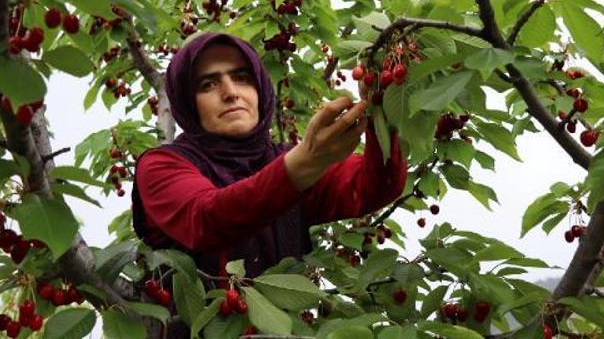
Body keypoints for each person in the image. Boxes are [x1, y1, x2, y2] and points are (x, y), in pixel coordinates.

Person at [131, 32, 407, 291]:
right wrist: (304, 162)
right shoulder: (160, 165)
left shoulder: (281, 158)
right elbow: (205, 219)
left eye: (242, 78)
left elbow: (374, 186)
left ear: (261, 88)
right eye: (208, 84)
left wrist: (382, 111)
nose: (230, 92)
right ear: (188, 103)